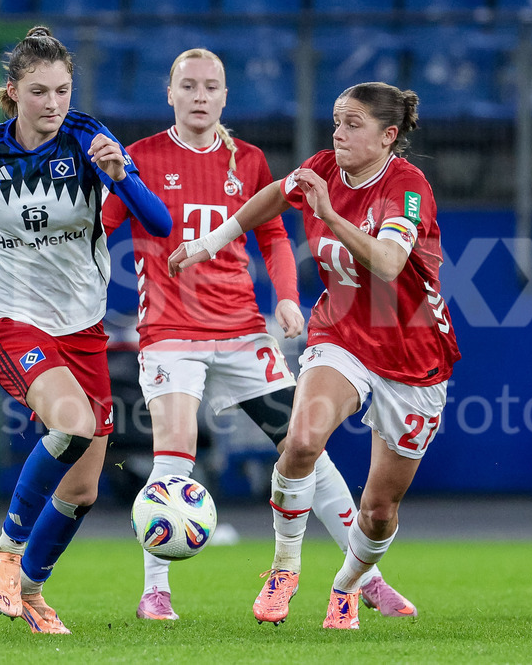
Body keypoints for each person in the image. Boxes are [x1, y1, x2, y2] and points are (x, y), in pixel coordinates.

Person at [105, 51, 416, 622]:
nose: (200, 96)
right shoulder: (139, 159)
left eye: (212, 86)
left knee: (305, 451)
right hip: (171, 331)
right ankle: (156, 592)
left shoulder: (246, 160)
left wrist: (289, 300)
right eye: (188, 86)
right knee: (175, 453)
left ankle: (365, 577)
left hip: (243, 330)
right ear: (168, 94)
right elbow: (103, 229)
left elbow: (272, 235)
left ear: (225, 97)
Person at [0, 26, 172, 634]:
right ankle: (4, 549)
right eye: (40, 91)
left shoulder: (90, 141)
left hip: (83, 331)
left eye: (63, 90)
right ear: (13, 94)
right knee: (71, 423)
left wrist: (122, 175)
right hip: (11, 319)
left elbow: (160, 225)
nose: (53, 103)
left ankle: (30, 589)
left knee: (82, 489)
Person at [169, 82, 460, 629]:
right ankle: (284, 568)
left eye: (353, 124)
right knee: (300, 441)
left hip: (414, 353)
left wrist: (329, 211)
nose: (338, 133)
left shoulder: (407, 187)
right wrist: (211, 242)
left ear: (387, 136)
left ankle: (347, 584)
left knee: (378, 511)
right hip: (344, 330)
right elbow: (277, 196)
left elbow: (390, 263)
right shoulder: (324, 165)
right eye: (335, 121)